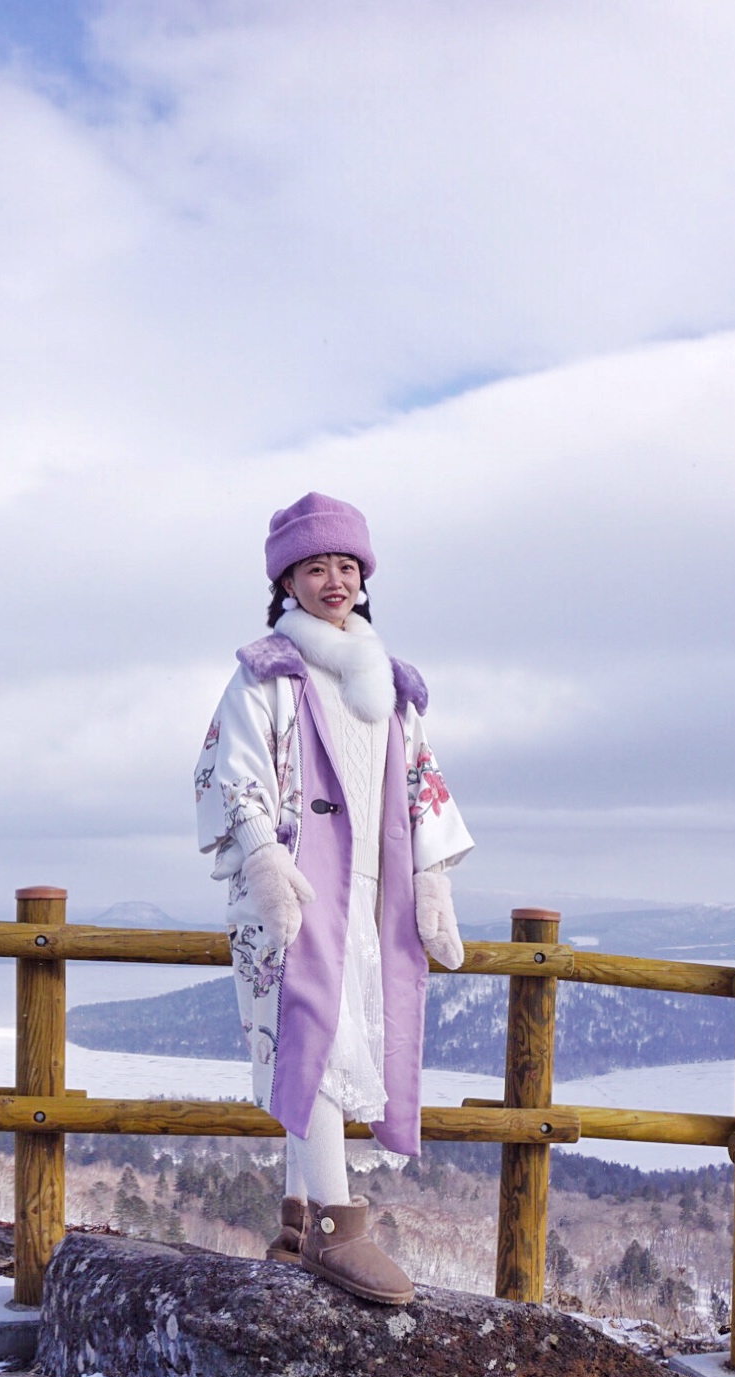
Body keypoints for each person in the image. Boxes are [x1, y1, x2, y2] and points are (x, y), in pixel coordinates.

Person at [194, 491, 472, 1304]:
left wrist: (433, 880)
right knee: (307, 1036)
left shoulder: (394, 686)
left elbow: (422, 790)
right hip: (294, 886)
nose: (334, 579)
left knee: (347, 1037)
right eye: (316, 566)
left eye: (346, 565)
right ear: (288, 579)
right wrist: (264, 861)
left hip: (372, 895)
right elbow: (227, 772)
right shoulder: (265, 673)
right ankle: (335, 1229)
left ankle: (294, 1214)